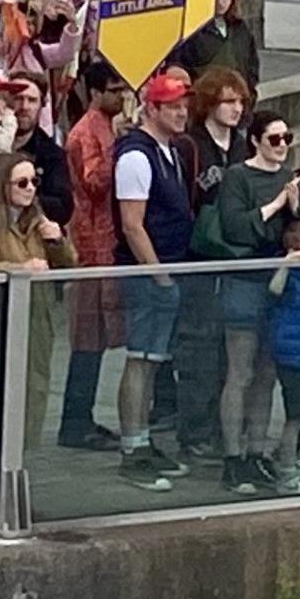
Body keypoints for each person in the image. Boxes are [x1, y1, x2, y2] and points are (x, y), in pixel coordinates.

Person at [109, 68, 199, 491]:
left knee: (153, 360)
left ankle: (142, 440)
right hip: (148, 273)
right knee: (141, 359)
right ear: (153, 108)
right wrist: (159, 276)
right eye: (173, 107)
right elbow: (132, 224)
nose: (182, 114)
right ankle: (132, 447)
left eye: (184, 106)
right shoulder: (135, 156)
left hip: (167, 268)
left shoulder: (170, 151)